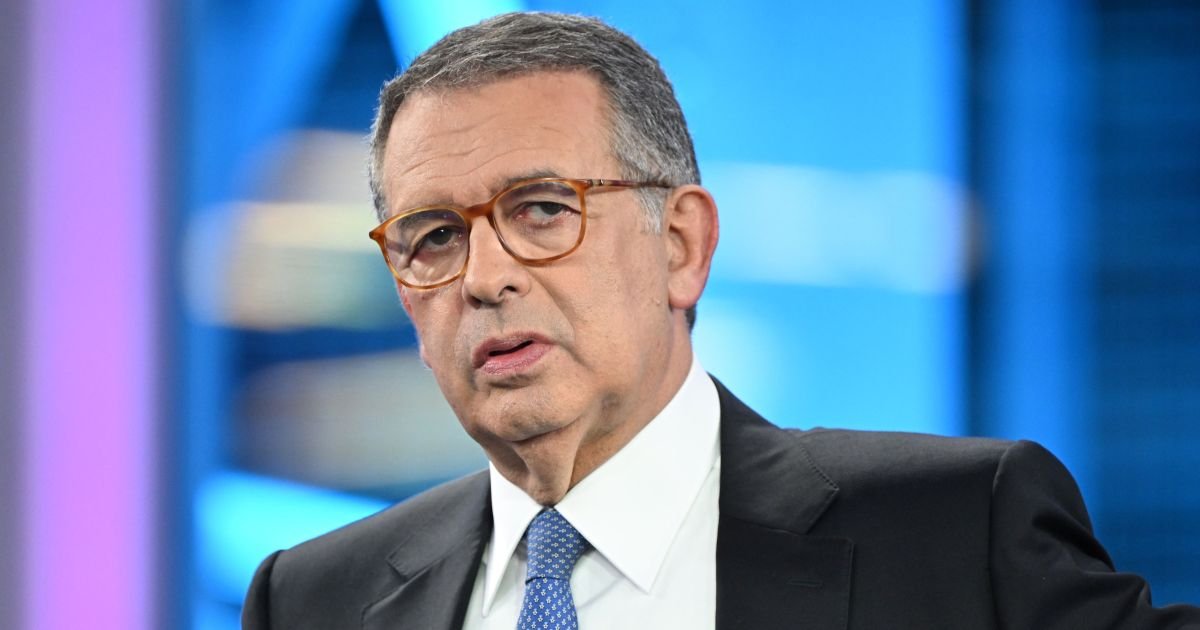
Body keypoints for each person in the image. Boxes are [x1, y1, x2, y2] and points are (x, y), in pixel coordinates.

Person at [242, 11, 1199, 630]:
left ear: (681, 245)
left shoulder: (954, 532)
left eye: (541, 210)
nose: (485, 278)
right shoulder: (312, 600)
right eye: (434, 236)